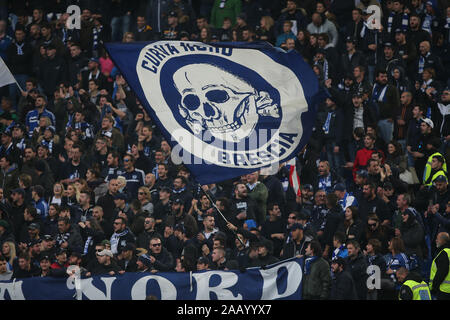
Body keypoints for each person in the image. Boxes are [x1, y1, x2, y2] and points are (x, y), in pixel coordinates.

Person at [429, 232, 450, 300]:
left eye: (437, 239)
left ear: (443, 241)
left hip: (444, 290)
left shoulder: (444, 253)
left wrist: (434, 287)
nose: (436, 240)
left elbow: (442, 272)